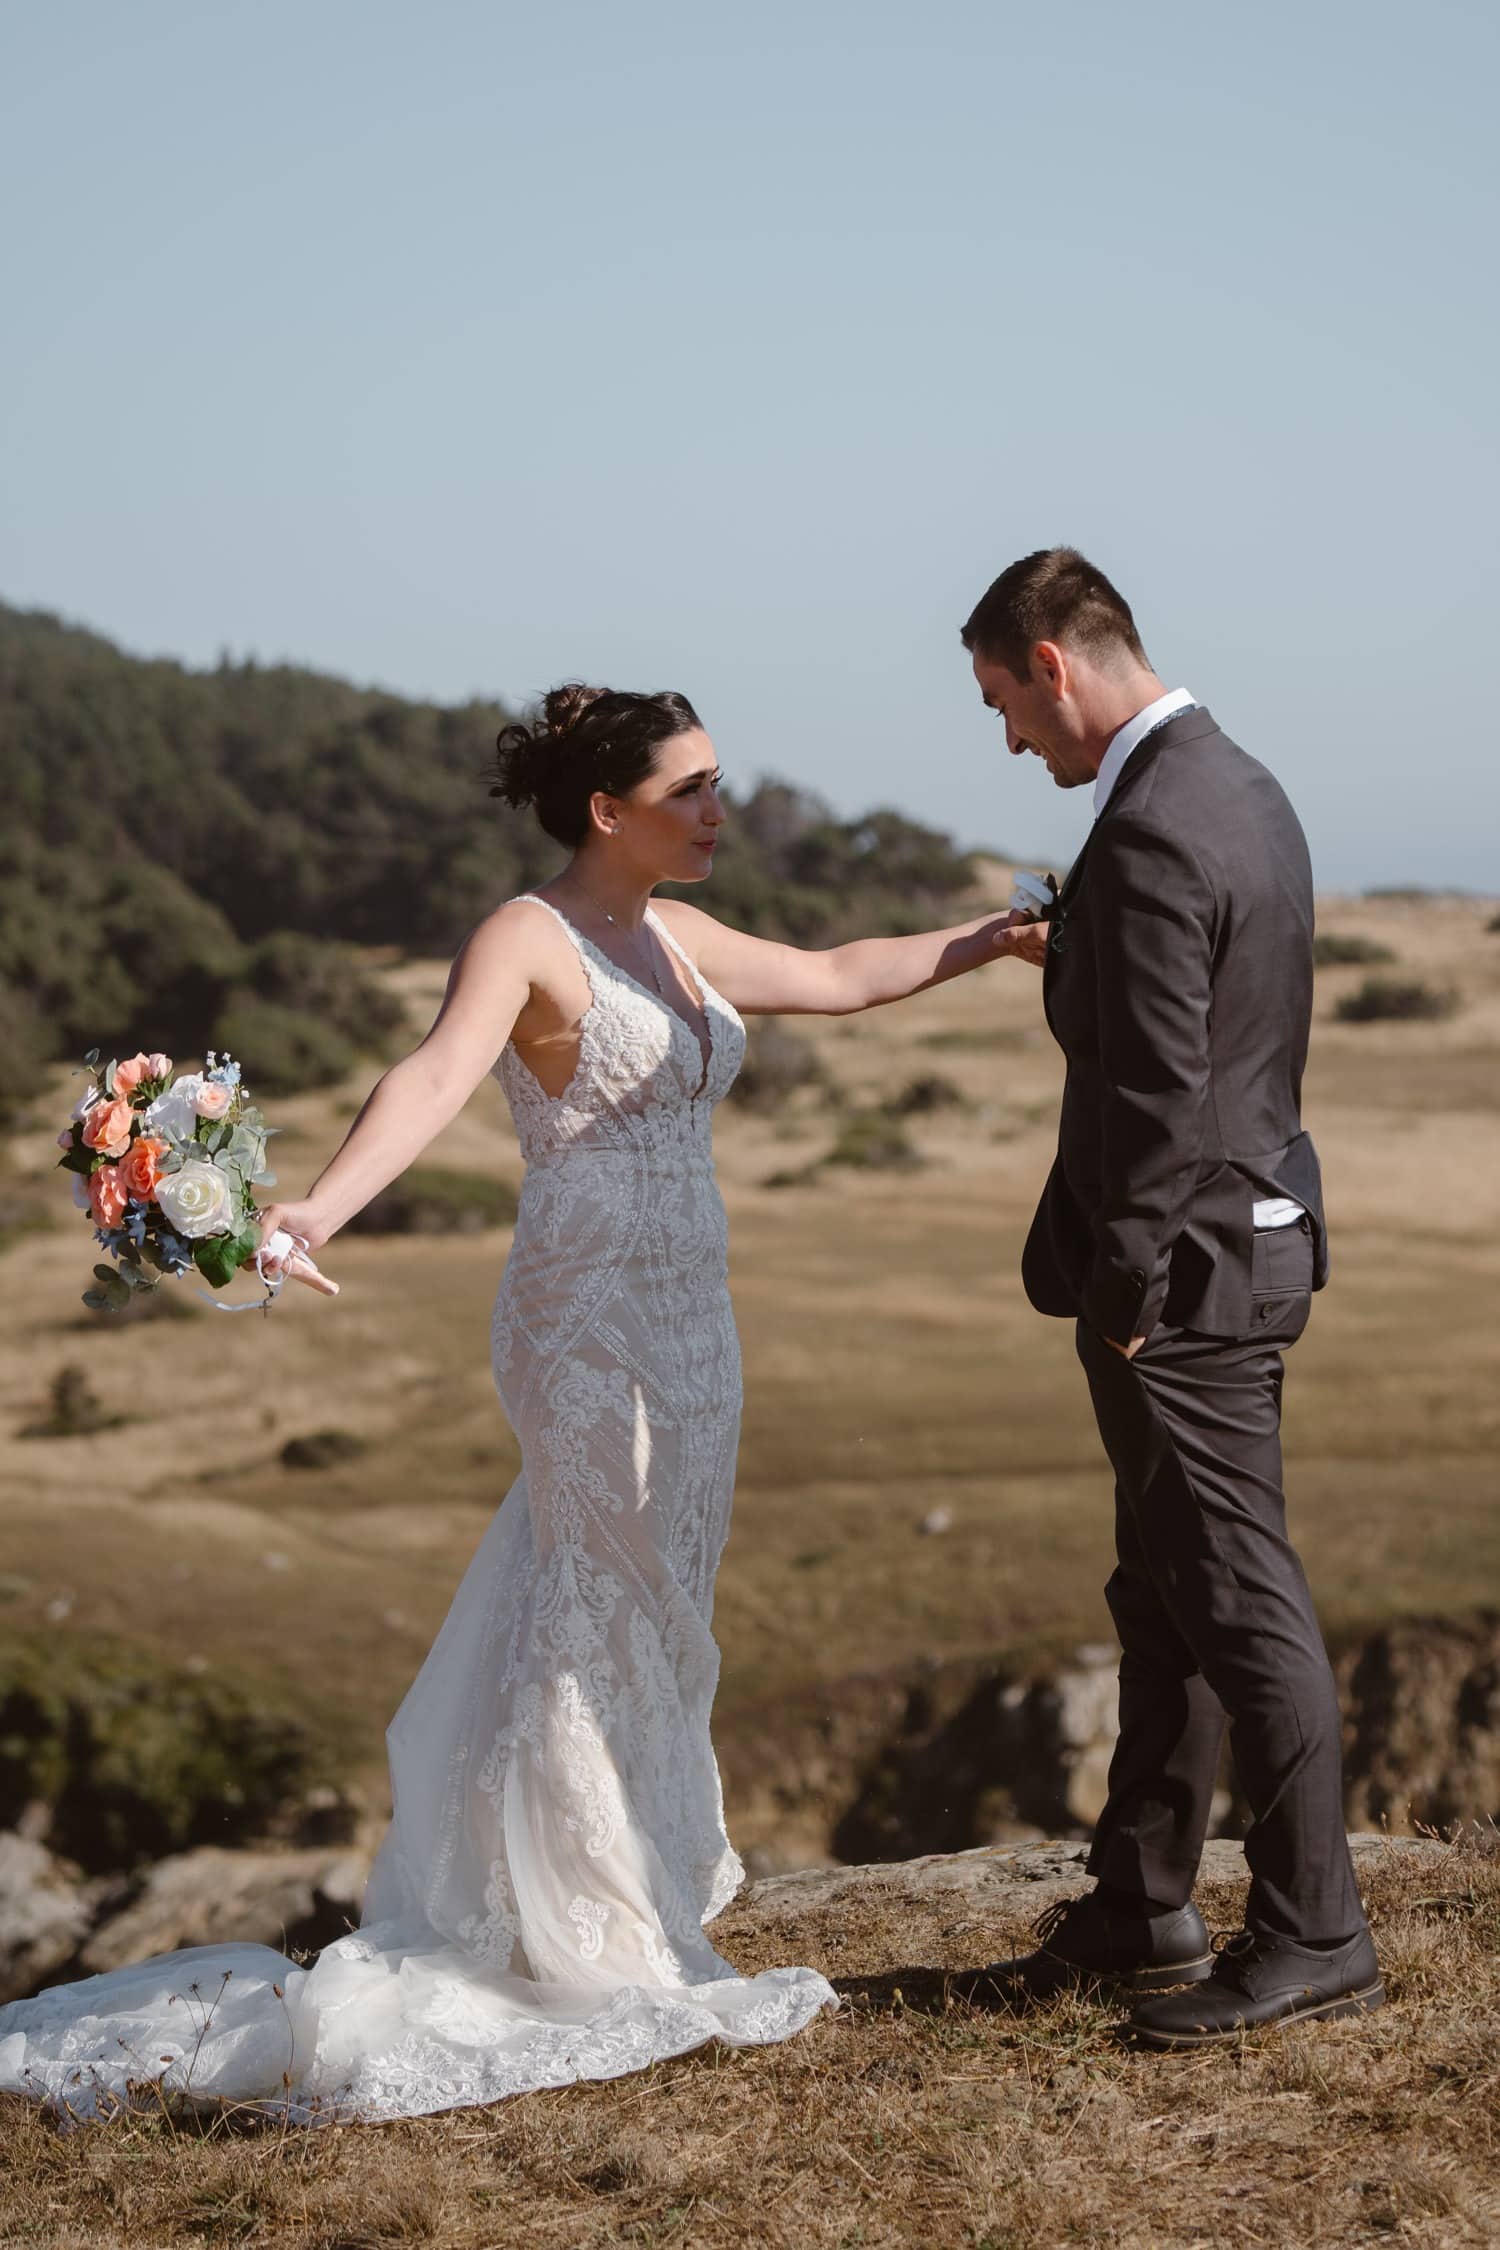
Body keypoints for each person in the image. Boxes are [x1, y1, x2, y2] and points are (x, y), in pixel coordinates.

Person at [0, 682, 1041, 2122]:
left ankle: (621, 1887)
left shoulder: (674, 933)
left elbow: (840, 969)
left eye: (718, 780)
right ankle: (584, 1927)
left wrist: (988, 941)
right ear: (607, 810)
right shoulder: (525, 937)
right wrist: (317, 1214)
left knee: (661, 1592)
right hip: (587, 1318)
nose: (717, 807)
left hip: (695, 1322)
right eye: (690, 789)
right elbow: (429, 1075)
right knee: (594, 1597)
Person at [962, 549, 1382, 2047]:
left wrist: (1129, 1288)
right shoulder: (1245, 784)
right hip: (1255, 1235)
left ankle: (1316, 1926)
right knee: (1166, 1584)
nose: (1011, 737)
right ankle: (1143, 1896)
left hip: (1184, 1271)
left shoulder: (1145, 829)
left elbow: (1157, 1099)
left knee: (1236, 1589)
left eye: (1004, 701)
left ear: (1052, 663)